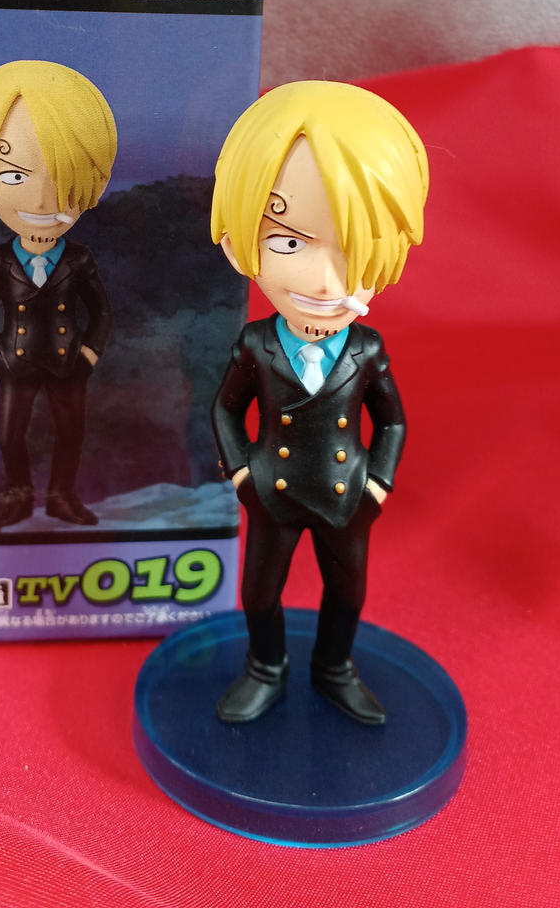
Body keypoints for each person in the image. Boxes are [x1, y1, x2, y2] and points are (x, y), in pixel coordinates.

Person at [210, 80, 428, 723]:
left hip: (345, 493)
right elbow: (225, 409)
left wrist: (378, 483)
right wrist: (242, 473)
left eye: (352, 248)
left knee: (348, 593)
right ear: (241, 242)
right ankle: (265, 667)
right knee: (259, 594)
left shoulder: (367, 349)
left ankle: (335, 668)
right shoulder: (256, 343)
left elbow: (392, 421)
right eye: (288, 242)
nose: (323, 280)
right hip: (272, 492)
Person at [0, 60, 117, 526]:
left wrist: (89, 352)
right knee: (10, 435)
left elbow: (101, 311)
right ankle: (19, 495)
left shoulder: (79, 259)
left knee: (70, 432)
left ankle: (62, 496)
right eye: (14, 175)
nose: (44, 200)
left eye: (63, 177)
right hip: (16, 359)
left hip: (68, 361)